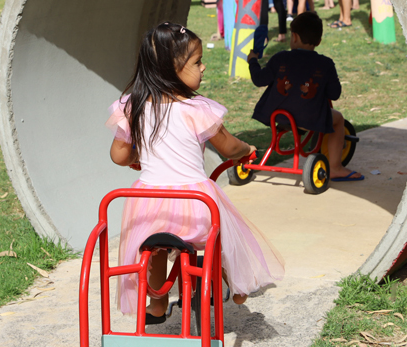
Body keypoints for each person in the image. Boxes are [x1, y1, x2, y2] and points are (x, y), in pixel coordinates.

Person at [107, 22, 284, 318]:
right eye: (197, 62)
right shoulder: (197, 109)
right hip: (195, 202)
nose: (203, 68)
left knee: (155, 247)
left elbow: (118, 155)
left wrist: (137, 157)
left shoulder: (132, 106)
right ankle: (237, 284)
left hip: (148, 205)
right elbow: (228, 148)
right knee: (224, 233)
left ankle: (158, 302)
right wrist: (247, 150)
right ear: (171, 68)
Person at [247, 12, 363, 182]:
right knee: (338, 119)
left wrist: (253, 61)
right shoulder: (325, 64)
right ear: (319, 41)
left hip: (278, 115)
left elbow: (259, 80)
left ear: (294, 36)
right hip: (310, 118)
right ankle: (336, 168)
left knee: (294, 114)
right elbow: (334, 94)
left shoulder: (280, 58)